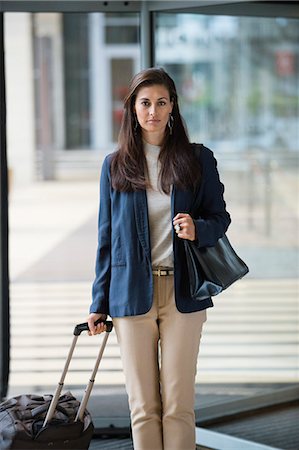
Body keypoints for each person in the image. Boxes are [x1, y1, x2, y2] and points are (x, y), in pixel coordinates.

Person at [87, 67, 231, 450]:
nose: (153, 111)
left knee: (178, 405)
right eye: (145, 103)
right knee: (143, 407)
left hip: (183, 292)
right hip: (131, 294)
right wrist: (97, 303)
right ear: (132, 109)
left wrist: (198, 228)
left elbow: (221, 218)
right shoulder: (115, 165)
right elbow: (106, 240)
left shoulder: (197, 159)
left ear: (173, 108)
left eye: (161, 103)